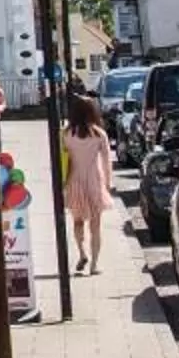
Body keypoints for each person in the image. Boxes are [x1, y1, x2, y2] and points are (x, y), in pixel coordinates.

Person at [63, 90, 116, 274]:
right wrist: (108, 183)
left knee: (77, 222)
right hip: (94, 180)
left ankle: (81, 252)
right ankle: (94, 265)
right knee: (96, 225)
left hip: (74, 180)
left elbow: (63, 158)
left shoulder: (67, 133)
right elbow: (106, 160)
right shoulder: (99, 134)